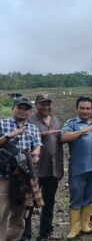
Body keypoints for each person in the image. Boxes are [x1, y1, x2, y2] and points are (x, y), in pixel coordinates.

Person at [61, 96, 92, 240]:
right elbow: (63, 138)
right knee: (76, 198)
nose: (85, 111)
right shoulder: (71, 123)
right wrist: (83, 131)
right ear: (77, 109)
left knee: (90, 196)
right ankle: (74, 228)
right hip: (78, 168)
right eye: (82, 108)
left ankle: (85, 225)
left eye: (88, 108)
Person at [0, 97, 42, 241]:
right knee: (1, 213)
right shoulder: (2, 123)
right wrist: (8, 136)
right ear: (13, 108)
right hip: (3, 176)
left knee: (18, 216)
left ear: (30, 111)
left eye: (26, 109)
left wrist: (35, 155)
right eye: (20, 107)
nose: (23, 111)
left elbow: (37, 144)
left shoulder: (33, 128)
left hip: (23, 177)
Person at [26, 93, 63, 241]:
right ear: (36, 105)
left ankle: (45, 232)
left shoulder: (56, 121)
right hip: (34, 169)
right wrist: (42, 134)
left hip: (53, 168)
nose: (46, 107)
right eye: (42, 104)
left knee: (49, 201)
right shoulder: (29, 120)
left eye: (48, 104)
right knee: (28, 203)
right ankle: (25, 234)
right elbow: (24, 138)